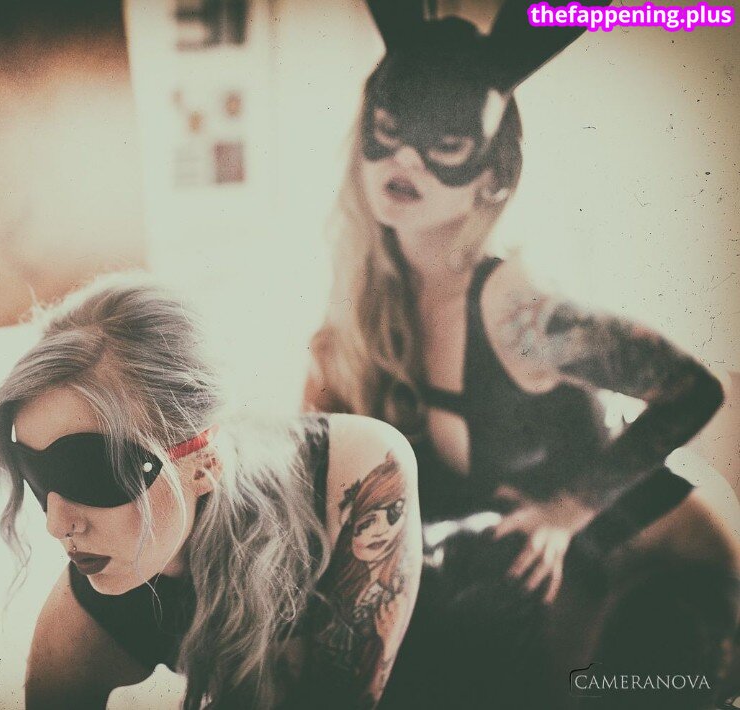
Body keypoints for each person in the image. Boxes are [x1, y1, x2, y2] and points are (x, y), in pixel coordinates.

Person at [304, 2, 740, 707]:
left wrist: (568, 509)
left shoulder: (514, 309)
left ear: (493, 177)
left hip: (667, 571)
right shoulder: (372, 295)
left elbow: (694, 389)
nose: (406, 159)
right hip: (573, 584)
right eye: (389, 129)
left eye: (446, 140)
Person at [0, 273, 422, 709]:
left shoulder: (358, 470)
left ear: (204, 464)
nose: (57, 525)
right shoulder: (83, 617)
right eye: (35, 475)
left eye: (92, 475)